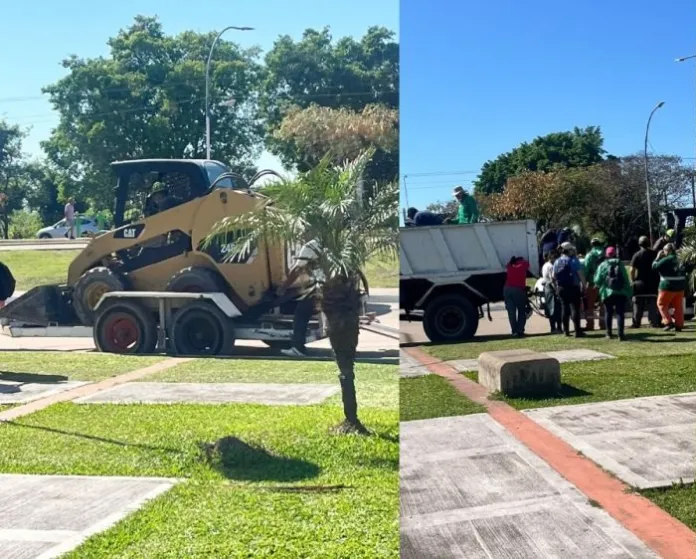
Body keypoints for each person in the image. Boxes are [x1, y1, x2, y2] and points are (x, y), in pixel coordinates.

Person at [277, 240, 325, 357]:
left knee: (301, 312)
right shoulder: (336, 241)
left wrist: (283, 287)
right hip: (339, 288)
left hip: (322, 288)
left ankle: (298, 348)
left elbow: (297, 268)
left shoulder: (311, 246)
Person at [594, 246, 632, 340]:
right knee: (620, 313)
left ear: (606, 255)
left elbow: (597, 280)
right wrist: (629, 292)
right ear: (615, 254)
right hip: (621, 292)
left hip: (607, 293)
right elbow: (626, 279)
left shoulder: (603, 265)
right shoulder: (620, 264)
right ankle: (620, 334)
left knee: (608, 312)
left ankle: (609, 333)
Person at [552, 242, 586, 337]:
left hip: (561, 288)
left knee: (564, 309)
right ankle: (577, 331)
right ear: (569, 250)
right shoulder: (574, 260)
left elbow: (553, 276)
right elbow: (580, 275)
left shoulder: (557, 261)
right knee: (575, 309)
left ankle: (566, 331)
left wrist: (556, 287)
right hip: (573, 287)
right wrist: (584, 285)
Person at [652, 243, 686, 332]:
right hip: (681, 287)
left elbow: (654, 267)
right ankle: (679, 324)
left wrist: (658, 257)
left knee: (661, 304)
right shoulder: (681, 259)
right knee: (678, 306)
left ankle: (668, 322)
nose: (664, 252)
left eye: (665, 250)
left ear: (668, 250)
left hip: (668, 286)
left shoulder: (667, 259)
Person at [630, 236, 661, 328]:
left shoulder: (637, 255)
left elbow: (632, 270)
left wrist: (633, 280)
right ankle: (653, 322)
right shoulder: (655, 254)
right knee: (652, 304)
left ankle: (636, 322)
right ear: (648, 243)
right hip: (653, 283)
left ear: (639, 244)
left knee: (638, 304)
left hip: (640, 283)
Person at [503, 256, 530, 337]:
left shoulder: (509, 265)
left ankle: (514, 331)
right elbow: (527, 265)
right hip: (518, 289)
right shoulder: (524, 263)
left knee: (511, 312)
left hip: (507, 289)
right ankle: (520, 330)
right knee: (522, 310)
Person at [583, 238, 605, 331]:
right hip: (604, 283)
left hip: (592, 283)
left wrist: (585, 281)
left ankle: (590, 324)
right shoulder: (605, 254)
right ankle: (603, 324)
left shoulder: (590, 255)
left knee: (590, 305)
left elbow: (585, 270)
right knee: (603, 305)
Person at [541, 250, 562, 333]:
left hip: (547, 288)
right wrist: (557, 290)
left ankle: (553, 328)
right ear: (552, 257)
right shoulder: (551, 266)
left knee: (550, 308)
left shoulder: (545, 265)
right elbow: (553, 279)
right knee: (556, 309)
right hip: (551, 288)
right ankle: (558, 328)